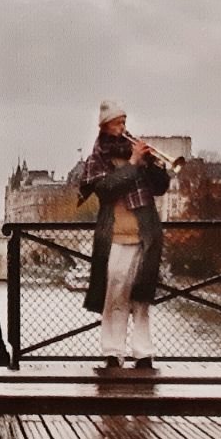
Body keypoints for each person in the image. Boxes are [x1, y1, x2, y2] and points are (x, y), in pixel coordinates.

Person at [78, 100, 170, 369]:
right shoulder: (98, 158)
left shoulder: (136, 154)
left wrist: (153, 165)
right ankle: (113, 351)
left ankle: (143, 353)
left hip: (145, 234)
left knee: (142, 297)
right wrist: (132, 163)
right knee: (114, 295)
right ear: (105, 126)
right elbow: (107, 189)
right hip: (115, 234)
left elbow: (160, 188)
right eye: (119, 123)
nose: (124, 128)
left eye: (125, 122)